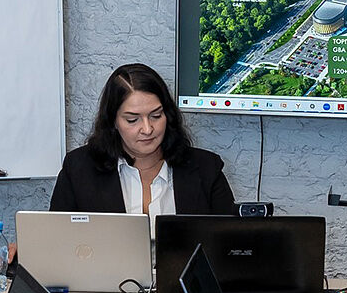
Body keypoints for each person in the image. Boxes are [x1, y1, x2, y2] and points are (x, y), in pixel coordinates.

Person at [48, 64, 235, 220]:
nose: (147, 129)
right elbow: (58, 240)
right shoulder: (79, 169)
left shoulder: (207, 168)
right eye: (132, 120)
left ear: (168, 114)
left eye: (156, 115)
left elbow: (228, 243)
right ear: (113, 121)